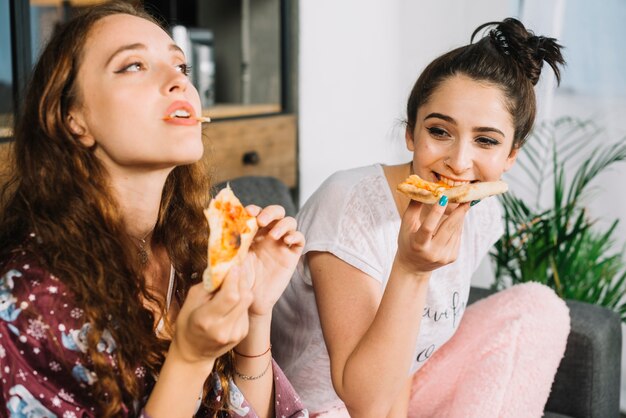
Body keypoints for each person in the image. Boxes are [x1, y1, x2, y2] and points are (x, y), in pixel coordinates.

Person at [0, 2, 307, 418]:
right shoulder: (27, 303)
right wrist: (190, 357)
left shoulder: (193, 247)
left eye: (181, 67)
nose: (177, 82)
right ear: (74, 119)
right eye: (133, 66)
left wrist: (255, 312)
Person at [271, 18, 570, 418]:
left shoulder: (483, 214)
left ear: (511, 154)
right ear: (411, 133)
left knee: (538, 308)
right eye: (440, 132)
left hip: (401, 392)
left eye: (486, 140)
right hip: (323, 407)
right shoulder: (349, 204)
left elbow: (412, 353)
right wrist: (411, 268)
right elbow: (365, 403)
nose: (459, 162)